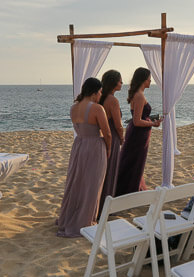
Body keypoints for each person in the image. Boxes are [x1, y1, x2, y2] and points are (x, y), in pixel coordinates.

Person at [56, 77, 112, 238]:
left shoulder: (74, 108)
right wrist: (108, 149)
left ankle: (71, 216)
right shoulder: (97, 108)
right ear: (94, 92)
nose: (101, 95)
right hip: (94, 146)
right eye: (100, 92)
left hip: (79, 146)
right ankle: (87, 220)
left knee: (77, 182)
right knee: (92, 184)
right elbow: (107, 133)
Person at [115, 67, 162, 196]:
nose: (150, 81)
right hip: (138, 134)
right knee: (134, 161)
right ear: (143, 80)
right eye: (149, 79)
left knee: (134, 160)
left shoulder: (137, 93)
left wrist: (152, 123)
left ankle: (133, 188)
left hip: (140, 133)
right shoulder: (140, 96)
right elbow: (137, 121)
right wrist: (153, 123)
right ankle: (128, 190)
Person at [97, 69, 124, 216]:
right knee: (111, 171)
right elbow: (118, 125)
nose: (122, 83)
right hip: (112, 137)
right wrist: (122, 138)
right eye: (120, 81)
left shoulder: (101, 97)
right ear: (114, 83)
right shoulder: (113, 100)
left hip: (101, 138)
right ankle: (106, 206)